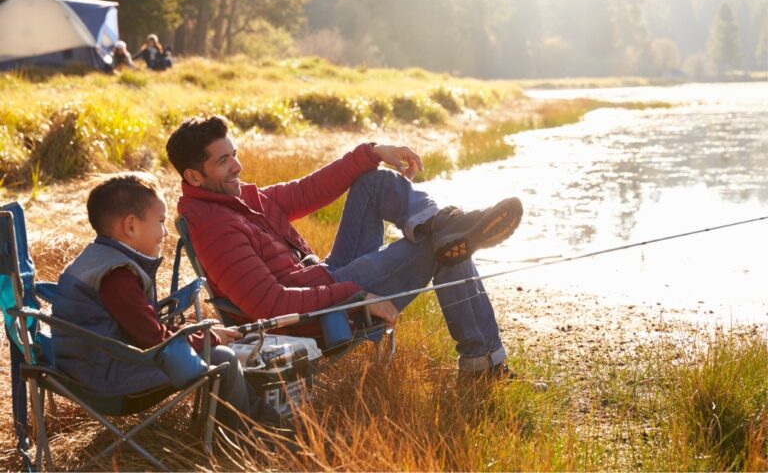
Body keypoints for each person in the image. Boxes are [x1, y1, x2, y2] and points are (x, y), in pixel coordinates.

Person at [165, 115, 525, 379]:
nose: (237, 166)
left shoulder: (239, 199)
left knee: (374, 182)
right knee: (441, 246)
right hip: (317, 315)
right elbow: (268, 305)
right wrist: (355, 294)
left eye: (234, 154)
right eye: (223, 161)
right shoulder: (214, 227)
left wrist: (373, 152)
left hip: (322, 276)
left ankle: (442, 224)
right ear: (194, 176)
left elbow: (309, 189)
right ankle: (483, 363)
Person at [51, 173, 279, 431]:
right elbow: (152, 340)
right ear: (131, 227)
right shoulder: (118, 275)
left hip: (88, 369)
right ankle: (251, 434)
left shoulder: (98, 258)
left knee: (211, 348)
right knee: (222, 358)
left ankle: (257, 421)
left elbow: (138, 329)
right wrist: (206, 337)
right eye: (160, 221)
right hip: (108, 383)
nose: (165, 232)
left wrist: (193, 333)